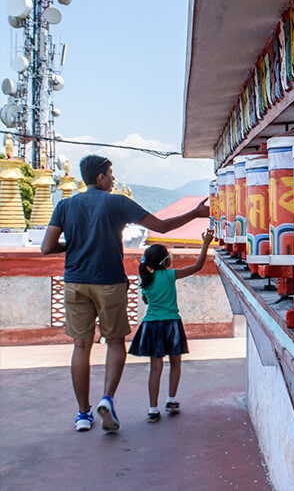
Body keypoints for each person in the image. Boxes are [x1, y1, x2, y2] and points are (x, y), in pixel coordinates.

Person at [40, 154, 210, 432]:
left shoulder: (65, 205)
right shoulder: (118, 202)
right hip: (110, 282)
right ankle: (107, 398)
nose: (114, 178)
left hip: (75, 282)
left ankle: (83, 413)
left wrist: (74, 245)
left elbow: (46, 247)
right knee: (115, 342)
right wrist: (194, 213)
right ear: (101, 178)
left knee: (81, 346)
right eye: (111, 173)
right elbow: (162, 226)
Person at [129, 228, 214, 422]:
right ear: (165, 261)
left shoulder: (146, 281)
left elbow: (147, 300)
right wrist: (206, 244)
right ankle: (172, 399)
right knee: (175, 363)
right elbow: (198, 266)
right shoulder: (169, 275)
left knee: (155, 368)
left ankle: (152, 409)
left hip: (151, 326)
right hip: (171, 324)